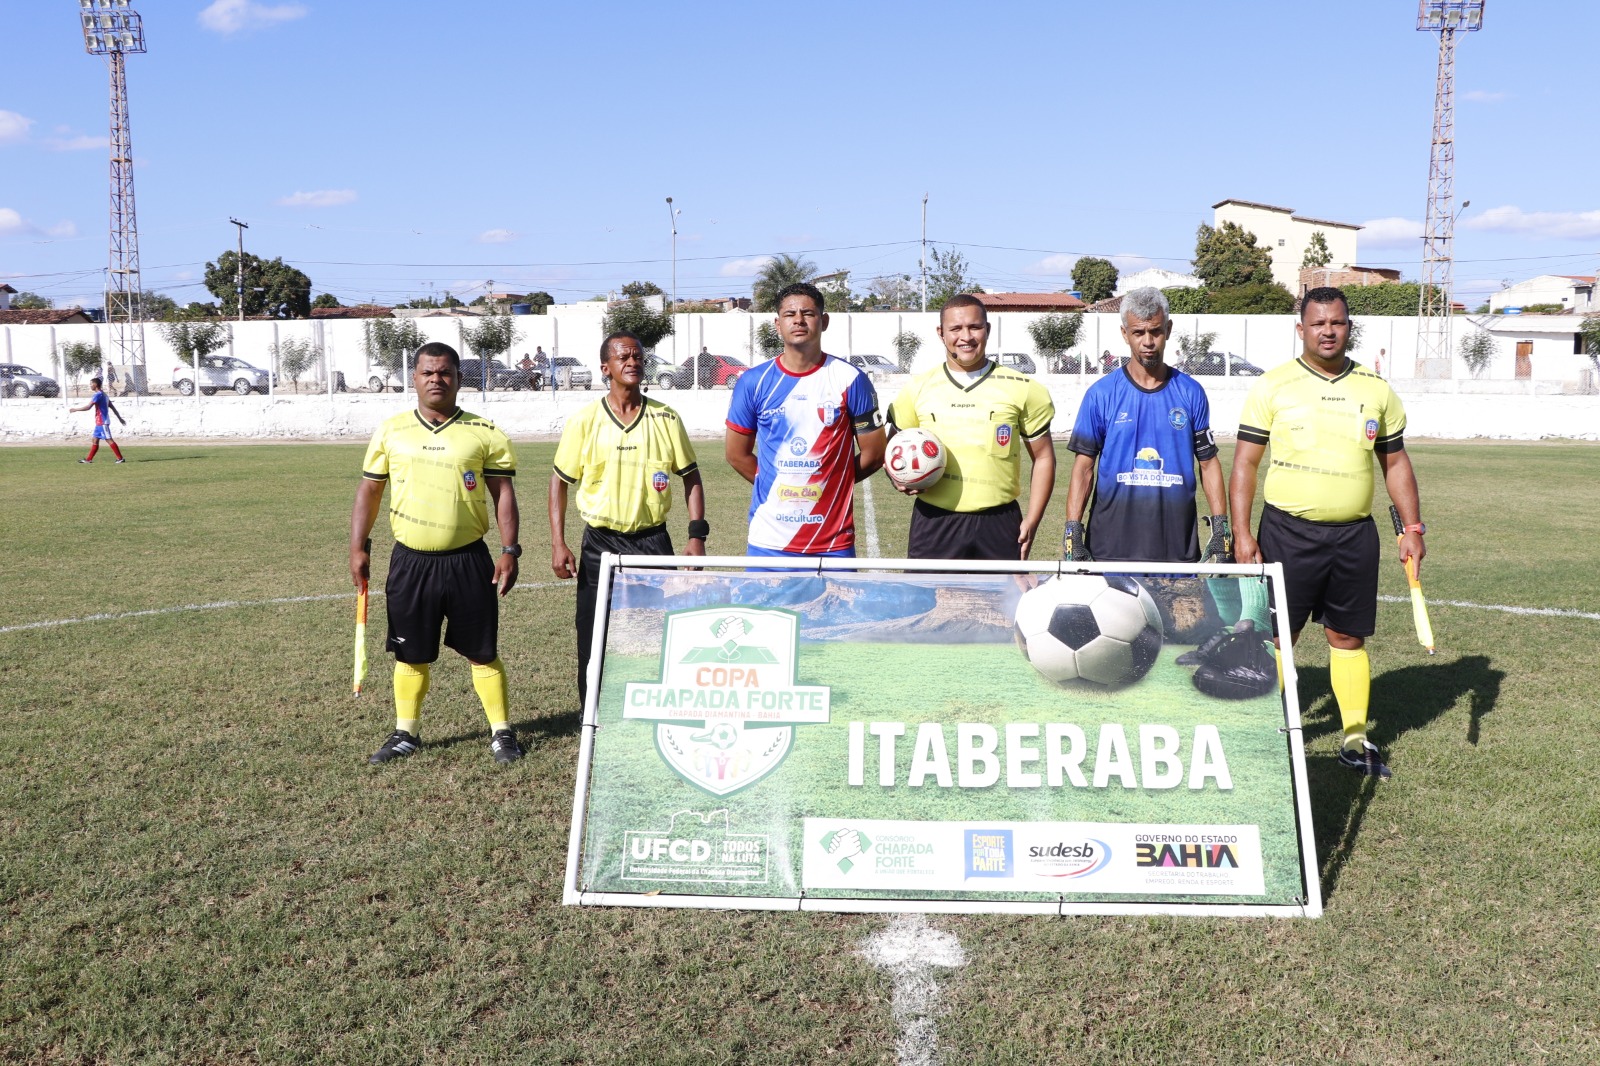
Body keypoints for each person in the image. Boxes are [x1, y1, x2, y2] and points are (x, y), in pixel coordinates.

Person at [1230, 286, 1425, 779]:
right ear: (1302, 328)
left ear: (1348, 326)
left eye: (1336, 322)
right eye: (1318, 323)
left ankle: (1355, 739)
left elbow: (1395, 462)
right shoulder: (1273, 385)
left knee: (1347, 637)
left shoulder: (1375, 389)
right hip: (1286, 533)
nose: (1328, 331)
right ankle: (1257, 729)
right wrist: (1241, 532)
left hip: (1354, 537)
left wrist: (1413, 527)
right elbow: (1245, 465)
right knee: (1280, 636)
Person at [1061, 288, 1267, 697]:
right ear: (1124, 334)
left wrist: (1221, 527)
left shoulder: (1189, 393)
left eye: (1155, 331)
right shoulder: (1101, 395)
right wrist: (1072, 531)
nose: (1148, 341)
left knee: (1177, 650)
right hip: (1111, 545)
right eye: (1139, 333)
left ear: (1168, 329)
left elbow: (1208, 462)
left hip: (1175, 547)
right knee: (1115, 645)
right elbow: (1083, 466)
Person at [350, 341, 525, 766]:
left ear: (459, 379)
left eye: (445, 372)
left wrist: (509, 549)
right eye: (428, 372)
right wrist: (358, 545)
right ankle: (405, 733)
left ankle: (501, 732)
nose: (436, 379)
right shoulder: (392, 430)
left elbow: (503, 494)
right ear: (414, 378)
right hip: (410, 560)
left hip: (469, 559)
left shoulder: (484, 432)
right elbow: (370, 491)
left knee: (482, 650)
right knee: (411, 652)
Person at [551, 331, 706, 710]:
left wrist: (696, 534)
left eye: (637, 356)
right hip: (599, 545)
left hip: (653, 542)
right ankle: (593, 713)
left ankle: (650, 708)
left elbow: (691, 477)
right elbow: (559, 483)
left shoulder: (666, 418)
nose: (632, 362)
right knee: (593, 633)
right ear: (606, 368)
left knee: (656, 633)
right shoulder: (584, 421)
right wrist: (558, 542)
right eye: (623, 357)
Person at [886, 293, 1055, 560]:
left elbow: (1044, 457)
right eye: (956, 328)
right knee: (930, 601)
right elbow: (893, 449)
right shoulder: (917, 388)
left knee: (1002, 602)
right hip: (934, 520)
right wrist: (898, 478)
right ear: (941, 333)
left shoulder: (1023, 388)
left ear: (987, 329)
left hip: (999, 520)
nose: (966, 336)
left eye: (975, 327)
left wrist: (1033, 520)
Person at [725, 282, 885, 561]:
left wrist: (831, 485)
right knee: (765, 608)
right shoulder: (753, 382)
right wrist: (778, 485)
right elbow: (736, 455)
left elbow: (874, 454)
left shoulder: (851, 380)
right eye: (789, 314)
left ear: (823, 321)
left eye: (808, 313)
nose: (798, 320)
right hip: (769, 540)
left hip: (833, 542)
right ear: (777, 323)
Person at [71, 376, 126, 463]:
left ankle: (120, 458)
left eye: (91, 384)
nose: (90, 386)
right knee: (95, 440)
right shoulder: (104, 395)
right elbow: (112, 407)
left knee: (108, 439)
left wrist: (76, 409)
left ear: (95, 384)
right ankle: (89, 459)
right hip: (99, 422)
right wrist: (120, 418)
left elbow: (88, 407)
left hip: (102, 421)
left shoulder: (97, 395)